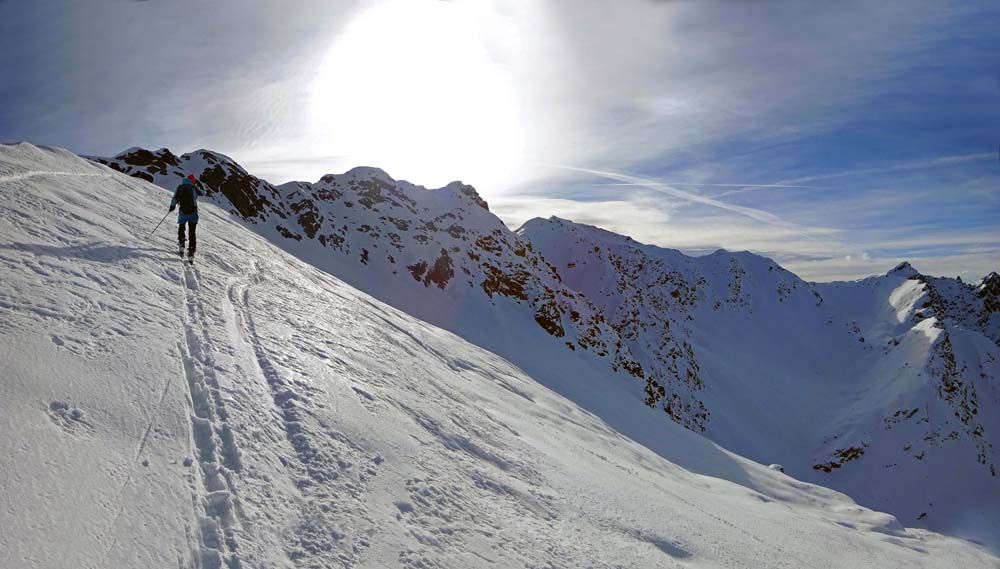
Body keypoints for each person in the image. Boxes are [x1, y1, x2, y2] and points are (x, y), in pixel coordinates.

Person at [169, 174, 204, 260]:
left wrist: (172, 206)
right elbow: (203, 193)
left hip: (183, 212)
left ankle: (181, 244)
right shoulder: (194, 188)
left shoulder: (180, 187)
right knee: (192, 232)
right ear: (193, 181)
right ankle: (191, 251)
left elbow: (174, 198)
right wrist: (198, 184)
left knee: (181, 227)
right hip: (193, 213)